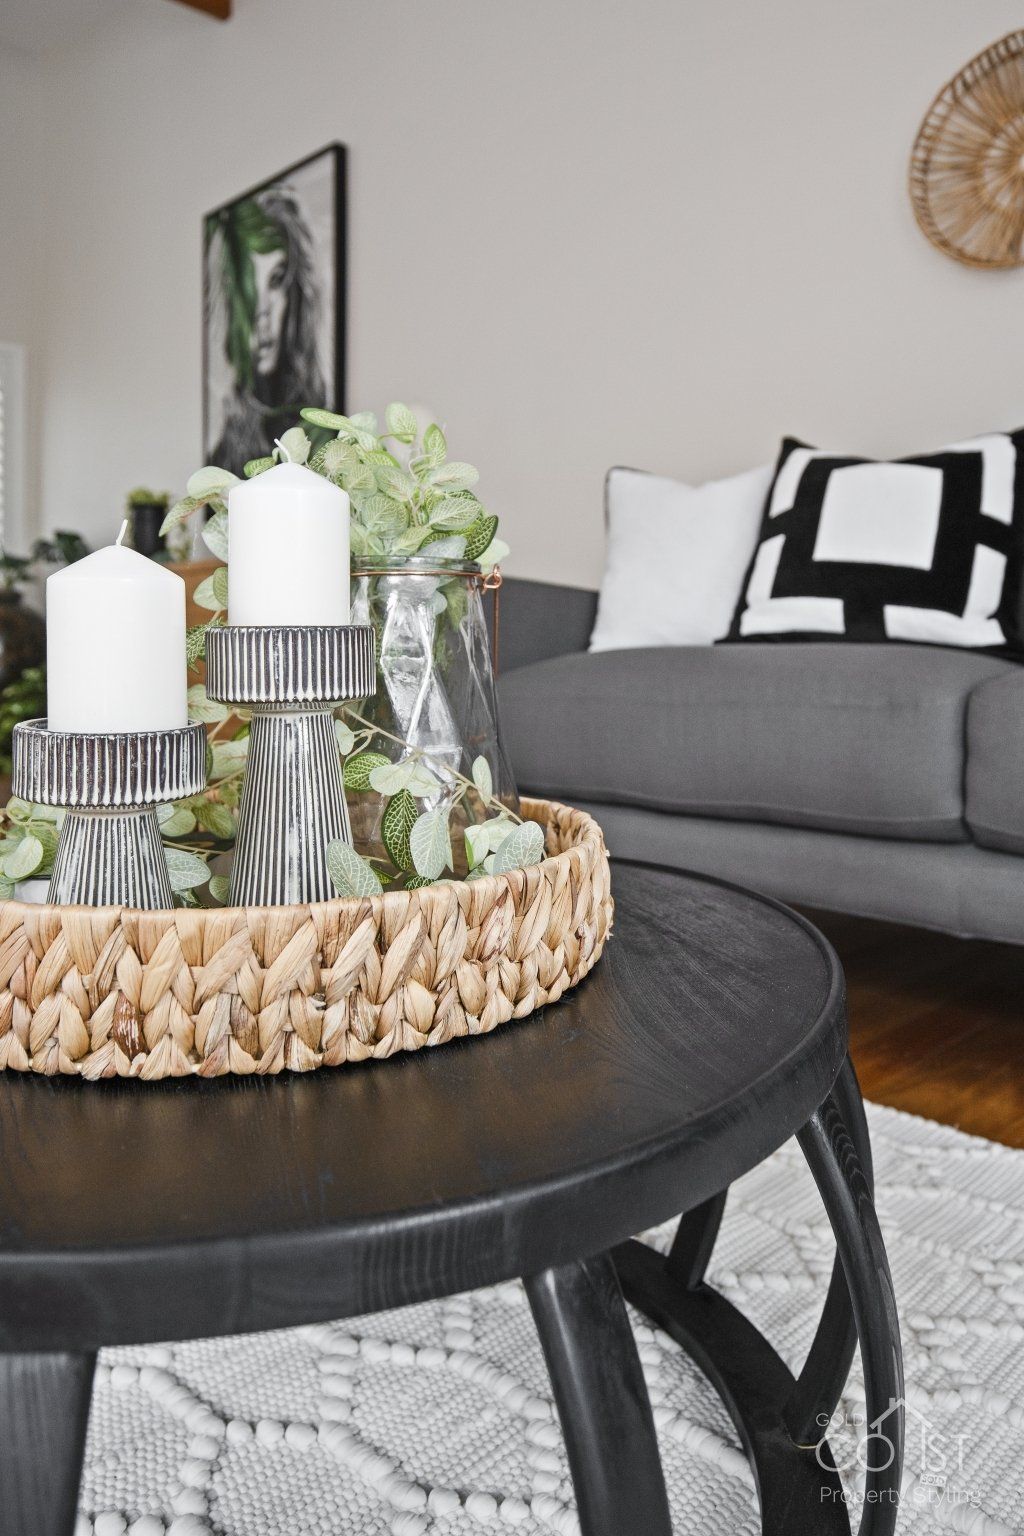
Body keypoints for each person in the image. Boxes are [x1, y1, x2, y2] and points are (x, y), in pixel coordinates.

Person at [205, 187, 326, 472]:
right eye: (246, 292)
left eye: (275, 281)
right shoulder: (225, 451)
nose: (262, 313)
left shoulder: (324, 440)